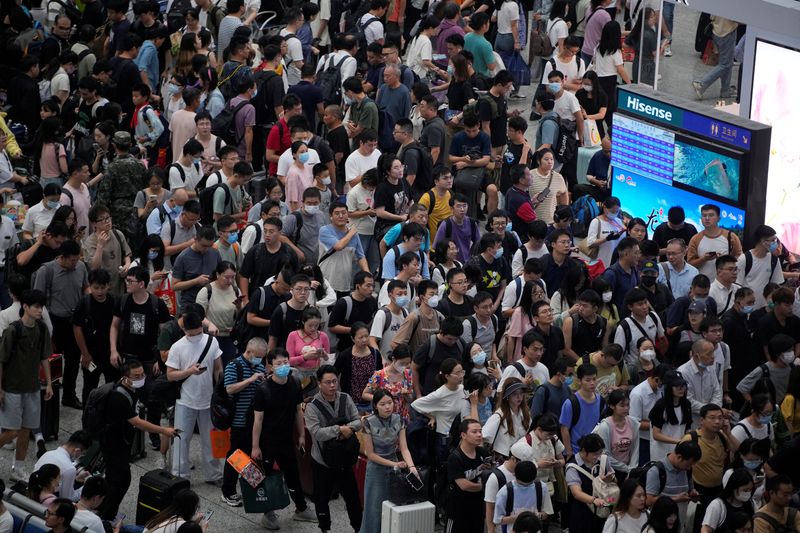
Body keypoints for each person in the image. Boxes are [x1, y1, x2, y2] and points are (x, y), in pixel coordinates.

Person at [98, 360, 178, 520]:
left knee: (113, 479)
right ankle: (107, 517)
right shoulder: (118, 396)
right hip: (114, 444)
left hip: (121, 441)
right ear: (125, 377)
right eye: (136, 376)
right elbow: (137, 422)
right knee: (121, 480)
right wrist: (164, 430)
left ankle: (102, 509)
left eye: (142, 374)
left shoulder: (130, 388)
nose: (141, 378)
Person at [249, 348, 317, 527]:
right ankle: (268, 513)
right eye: (278, 363)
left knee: (293, 474)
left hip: (286, 439)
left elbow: (297, 411)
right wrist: (255, 447)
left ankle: (301, 509)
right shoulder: (263, 390)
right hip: (267, 442)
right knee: (267, 477)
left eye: (286, 362)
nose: (283, 366)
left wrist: (301, 434)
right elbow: (258, 420)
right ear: (270, 366)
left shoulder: (294, 383)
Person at [166, 310, 223, 483]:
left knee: (211, 440)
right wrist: (190, 371)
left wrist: (220, 390)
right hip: (185, 400)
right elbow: (170, 375)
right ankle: (180, 476)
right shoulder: (177, 347)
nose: (195, 335)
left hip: (208, 399)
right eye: (192, 333)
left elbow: (218, 367)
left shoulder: (212, 341)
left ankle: (214, 475)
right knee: (182, 440)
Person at [305, 365, 363, 532]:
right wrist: (340, 430)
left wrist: (348, 429)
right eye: (328, 382)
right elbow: (316, 432)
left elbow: (358, 421)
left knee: (353, 499)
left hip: (345, 460)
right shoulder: (312, 406)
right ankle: (325, 528)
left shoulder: (345, 398)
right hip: (322, 462)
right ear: (319, 383)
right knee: (322, 499)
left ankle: (358, 528)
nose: (332, 385)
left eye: (334, 381)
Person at [33, 240, 87, 410]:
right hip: (54, 322)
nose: (75, 263)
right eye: (72, 260)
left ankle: (70, 396)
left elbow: (85, 287)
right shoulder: (47, 271)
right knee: (52, 363)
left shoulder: (81, 267)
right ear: (62, 257)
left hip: (74, 322)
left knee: (72, 362)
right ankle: (50, 397)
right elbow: (37, 301)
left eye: (77, 259)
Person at [359, 389, 416, 533]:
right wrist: (394, 464)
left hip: (395, 467)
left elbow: (404, 448)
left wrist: (412, 466)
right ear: (375, 406)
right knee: (374, 509)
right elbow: (370, 454)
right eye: (382, 404)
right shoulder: (368, 422)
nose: (387, 407)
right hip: (376, 469)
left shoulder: (399, 419)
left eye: (390, 403)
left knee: (393, 506)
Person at [219, 338, 266, 507]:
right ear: (249, 351)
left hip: (255, 421)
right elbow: (229, 388)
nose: (260, 359)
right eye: (258, 356)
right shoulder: (234, 365)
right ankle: (228, 491)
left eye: (262, 356)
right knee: (236, 455)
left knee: (249, 455)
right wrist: (250, 380)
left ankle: (253, 488)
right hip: (239, 419)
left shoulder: (259, 367)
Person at [445, 418, 489, 533]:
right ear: (463, 435)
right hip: (458, 509)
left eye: (480, 431)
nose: (479, 435)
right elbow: (464, 485)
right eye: (474, 432)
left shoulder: (483, 453)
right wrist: (486, 486)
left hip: (478, 508)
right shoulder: (455, 457)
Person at [565, 433, 615, 533]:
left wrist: (610, 480)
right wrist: (593, 500)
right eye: (595, 454)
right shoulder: (573, 467)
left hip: (603, 507)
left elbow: (614, 481)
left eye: (600, 452)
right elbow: (576, 493)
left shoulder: (603, 460)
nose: (598, 456)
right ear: (584, 451)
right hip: (583, 510)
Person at [687, 204, 743, 281]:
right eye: (704, 215)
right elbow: (689, 264)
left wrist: (724, 260)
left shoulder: (731, 237)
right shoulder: (695, 239)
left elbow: (740, 260)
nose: (707, 218)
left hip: (725, 284)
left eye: (711, 215)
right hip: (702, 286)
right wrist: (704, 259)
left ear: (718, 218)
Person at [560, 363, 605, 457]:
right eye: (588, 380)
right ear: (579, 381)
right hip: (577, 452)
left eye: (594, 379)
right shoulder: (571, 403)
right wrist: (569, 453)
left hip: (596, 452)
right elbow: (564, 429)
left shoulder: (601, 401)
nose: (592, 383)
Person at [33, 430, 92, 502]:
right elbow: (68, 499)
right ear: (77, 451)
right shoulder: (69, 468)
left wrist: (75, 479)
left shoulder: (48, 453)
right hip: (46, 504)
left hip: (34, 495)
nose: (81, 456)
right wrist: (86, 487)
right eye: (82, 454)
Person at [592, 389, 639, 479]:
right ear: (612, 406)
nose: (626, 408)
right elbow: (605, 454)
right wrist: (626, 468)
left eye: (627, 405)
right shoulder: (605, 426)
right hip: (610, 471)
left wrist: (632, 469)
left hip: (629, 470)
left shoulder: (633, 423)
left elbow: (635, 449)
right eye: (622, 405)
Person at [736, 225, 784, 310]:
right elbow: (737, 286)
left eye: (775, 240)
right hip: (747, 309)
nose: (775, 243)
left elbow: (776, 285)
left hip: (765, 309)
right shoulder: (744, 259)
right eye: (772, 240)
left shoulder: (774, 260)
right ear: (763, 241)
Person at [692, 17, 738, 100]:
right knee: (725, 64)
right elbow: (736, 18)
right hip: (727, 32)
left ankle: (725, 90)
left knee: (727, 61)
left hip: (716, 30)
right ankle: (701, 85)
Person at [484, 378, 531, 458]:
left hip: (522, 457)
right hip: (503, 459)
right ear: (507, 396)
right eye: (514, 394)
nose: (519, 397)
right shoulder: (498, 416)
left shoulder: (525, 413)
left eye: (521, 393)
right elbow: (484, 437)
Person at [700, 468, 756, 532]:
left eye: (750, 490)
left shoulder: (752, 504)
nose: (748, 493)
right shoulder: (717, 505)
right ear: (734, 488)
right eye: (745, 490)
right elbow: (706, 529)